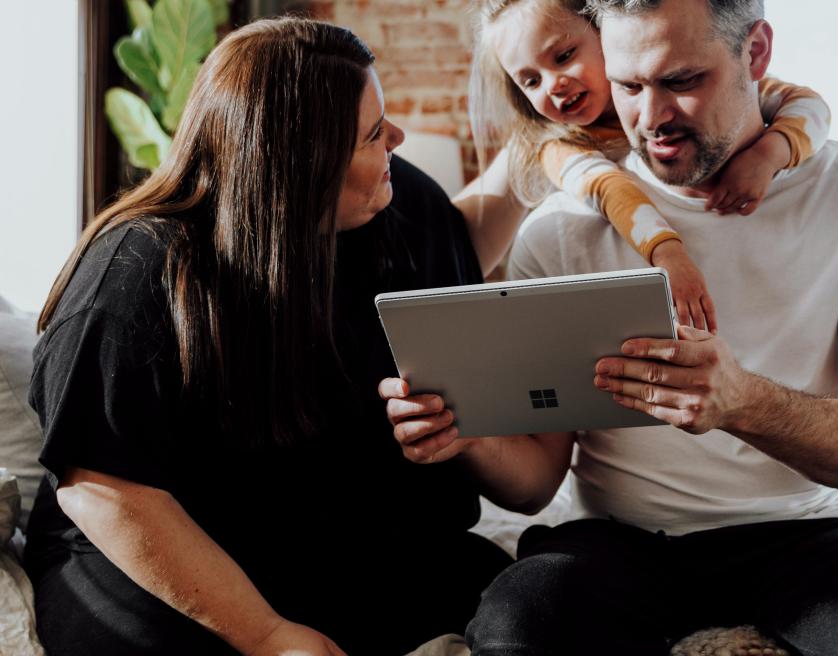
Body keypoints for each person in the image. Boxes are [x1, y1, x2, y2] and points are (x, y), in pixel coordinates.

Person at [382, 0, 838, 654]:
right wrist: (463, 436)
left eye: (680, 82)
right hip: (621, 539)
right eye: (627, 86)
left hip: (832, 530)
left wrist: (742, 402)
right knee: (519, 623)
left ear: (755, 53)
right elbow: (533, 488)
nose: (650, 118)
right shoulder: (560, 229)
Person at [24, 17, 547, 656]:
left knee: (542, 606)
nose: (398, 140)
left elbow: (459, 248)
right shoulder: (134, 271)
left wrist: (552, 140)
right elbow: (104, 490)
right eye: (373, 133)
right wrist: (268, 635)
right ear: (300, 169)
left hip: (328, 540)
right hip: (165, 549)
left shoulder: (394, 201)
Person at [469, 0, 831, 330]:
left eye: (564, 56)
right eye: (531, 80)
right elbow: (611, 190)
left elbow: (808, 104)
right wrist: (668, 255)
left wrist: (768, 154)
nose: (554, 85)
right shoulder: (559, 147)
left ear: (603, 33)